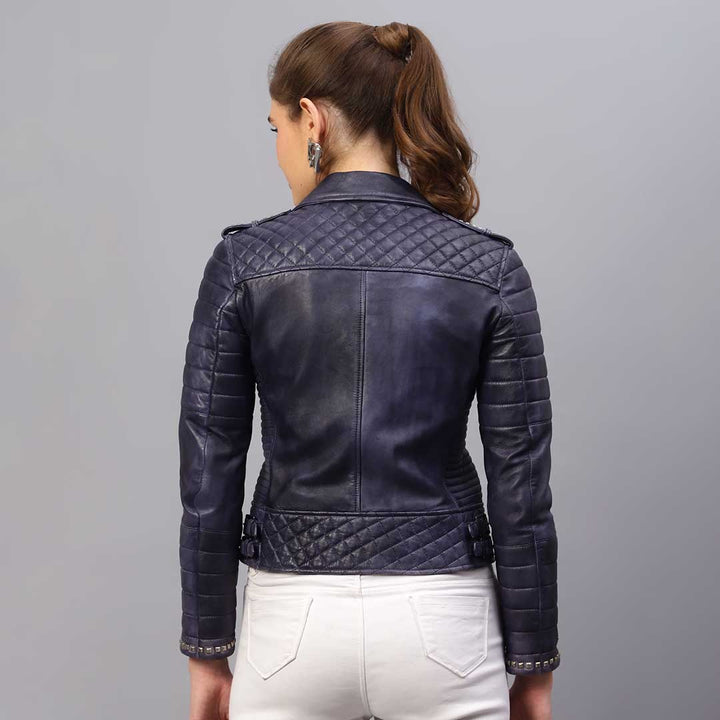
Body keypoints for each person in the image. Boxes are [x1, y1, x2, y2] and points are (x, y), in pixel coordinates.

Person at [177, 20, 560, 720]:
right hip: (443, 618)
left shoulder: (243, 263)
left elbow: (209, 470)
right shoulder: (490, 268)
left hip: (292, 624)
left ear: (312, 120)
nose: (279, 149)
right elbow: (522, 483)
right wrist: (533, 664)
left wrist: (207, 649)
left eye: (276, 129)